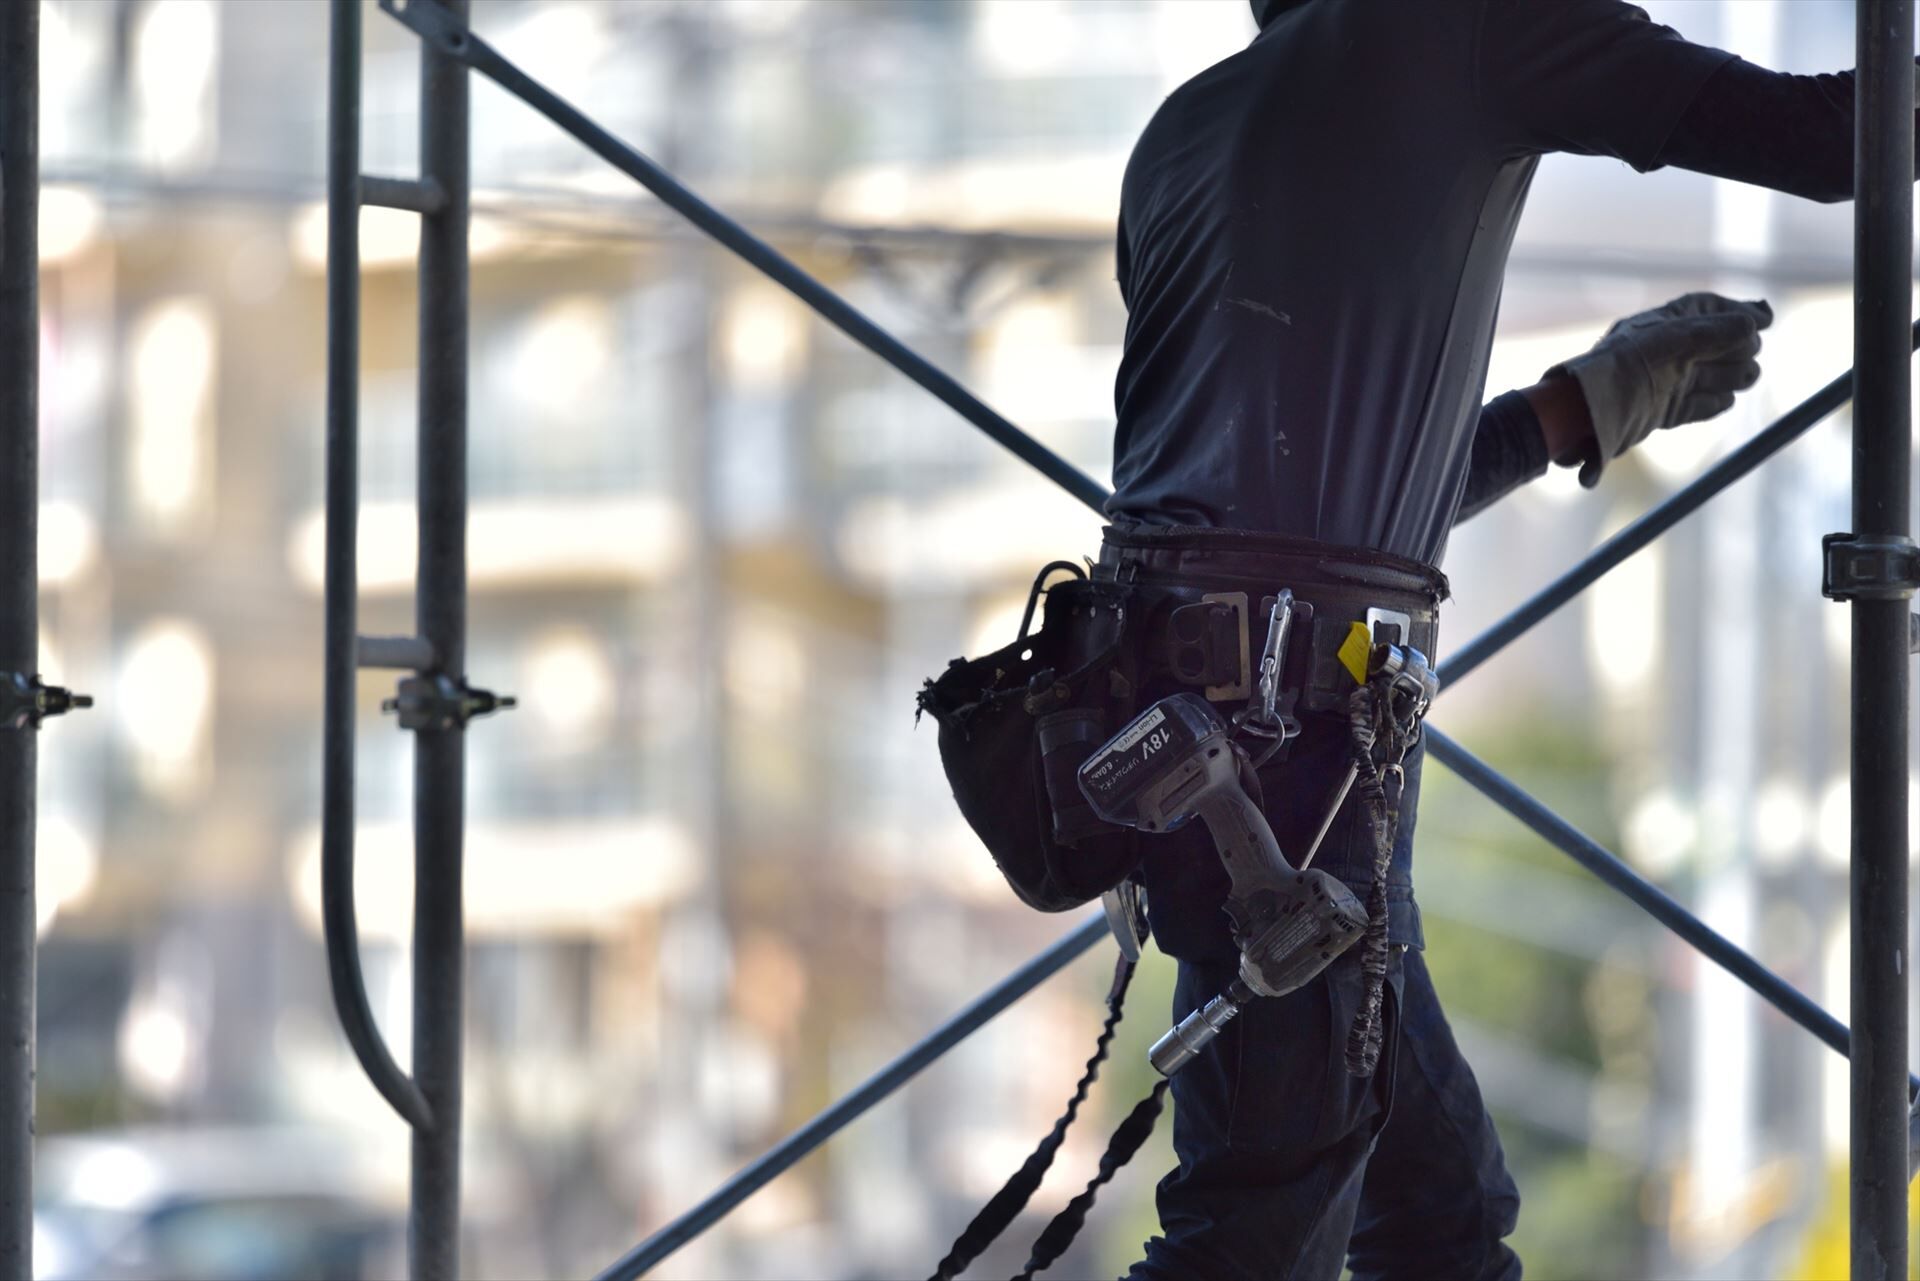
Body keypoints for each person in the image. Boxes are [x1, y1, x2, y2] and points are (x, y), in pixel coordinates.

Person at [1106, 1, 1908, 1276]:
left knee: (1440, 1219)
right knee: (1255, 1238)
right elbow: (1842, 136)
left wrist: (1571, 409)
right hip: (1295, 770)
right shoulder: (1464, 25)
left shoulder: (1182, 134)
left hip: (1204, 754)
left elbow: (1309, 512)